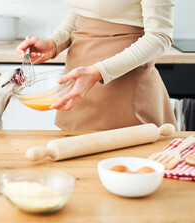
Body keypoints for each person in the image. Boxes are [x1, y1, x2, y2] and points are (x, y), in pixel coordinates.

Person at [16, 0, 178, 131]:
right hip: (78, 80)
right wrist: (54, 42)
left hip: (125, 85)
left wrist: (99, 71)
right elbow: (80, 12)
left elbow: (159, 36)